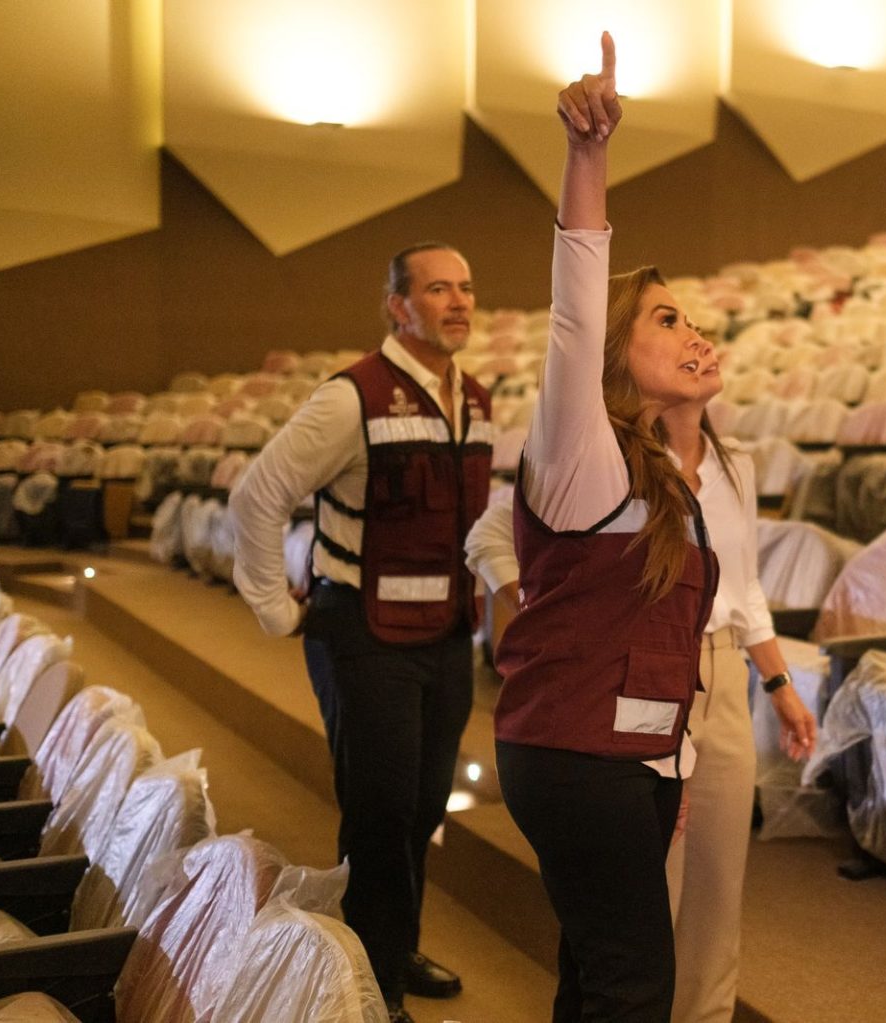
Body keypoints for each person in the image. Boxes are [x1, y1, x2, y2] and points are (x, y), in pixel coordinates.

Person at [488, 32, 814, 1023]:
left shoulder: (703, 472)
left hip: (648, 744)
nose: (695, 331)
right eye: (665, 319)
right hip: (581, 751)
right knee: (634, 979)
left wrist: (772, 682)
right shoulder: (586, 453)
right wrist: (589, 159)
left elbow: (727, 595)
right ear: (621, 358)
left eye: (693, 317)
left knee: (605, 972)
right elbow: (578, 307)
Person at [468, 399, 816, 1022]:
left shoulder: (737, 462)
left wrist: (779, 682)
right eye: (672, 324)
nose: (699, 343)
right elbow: (490, 533)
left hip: (723, 670)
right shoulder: (609, 461)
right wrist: (531, 604)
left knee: (717, 888)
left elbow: (746, 584)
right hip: (641, 676)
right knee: (652, 892)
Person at [230, 241, 491, 1023]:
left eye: (467, 288)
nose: (458, 301)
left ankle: (390, 943)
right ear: (397, 305)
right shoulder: (351, 397)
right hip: (361, 632)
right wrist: (278, 608)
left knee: (422, 806)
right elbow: (258, 496)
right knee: (378, 811)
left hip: (445, 635)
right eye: (438, 288)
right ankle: (372, 987)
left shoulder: (474, 397)